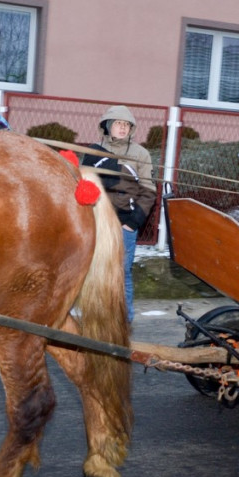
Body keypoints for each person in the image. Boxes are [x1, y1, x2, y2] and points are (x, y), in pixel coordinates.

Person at [82, 105, 155, 323]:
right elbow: (83, 185)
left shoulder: (140, 154)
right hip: (96, 221)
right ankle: (94, 320)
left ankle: (124, 322)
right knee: (93, 272)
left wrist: (133, 223)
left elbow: (149, 191)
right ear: (108, 126)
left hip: (124, 222)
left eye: (126, 125)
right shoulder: (94, 150)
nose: (122, 129)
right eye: (118, 124)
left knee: (122, 274)